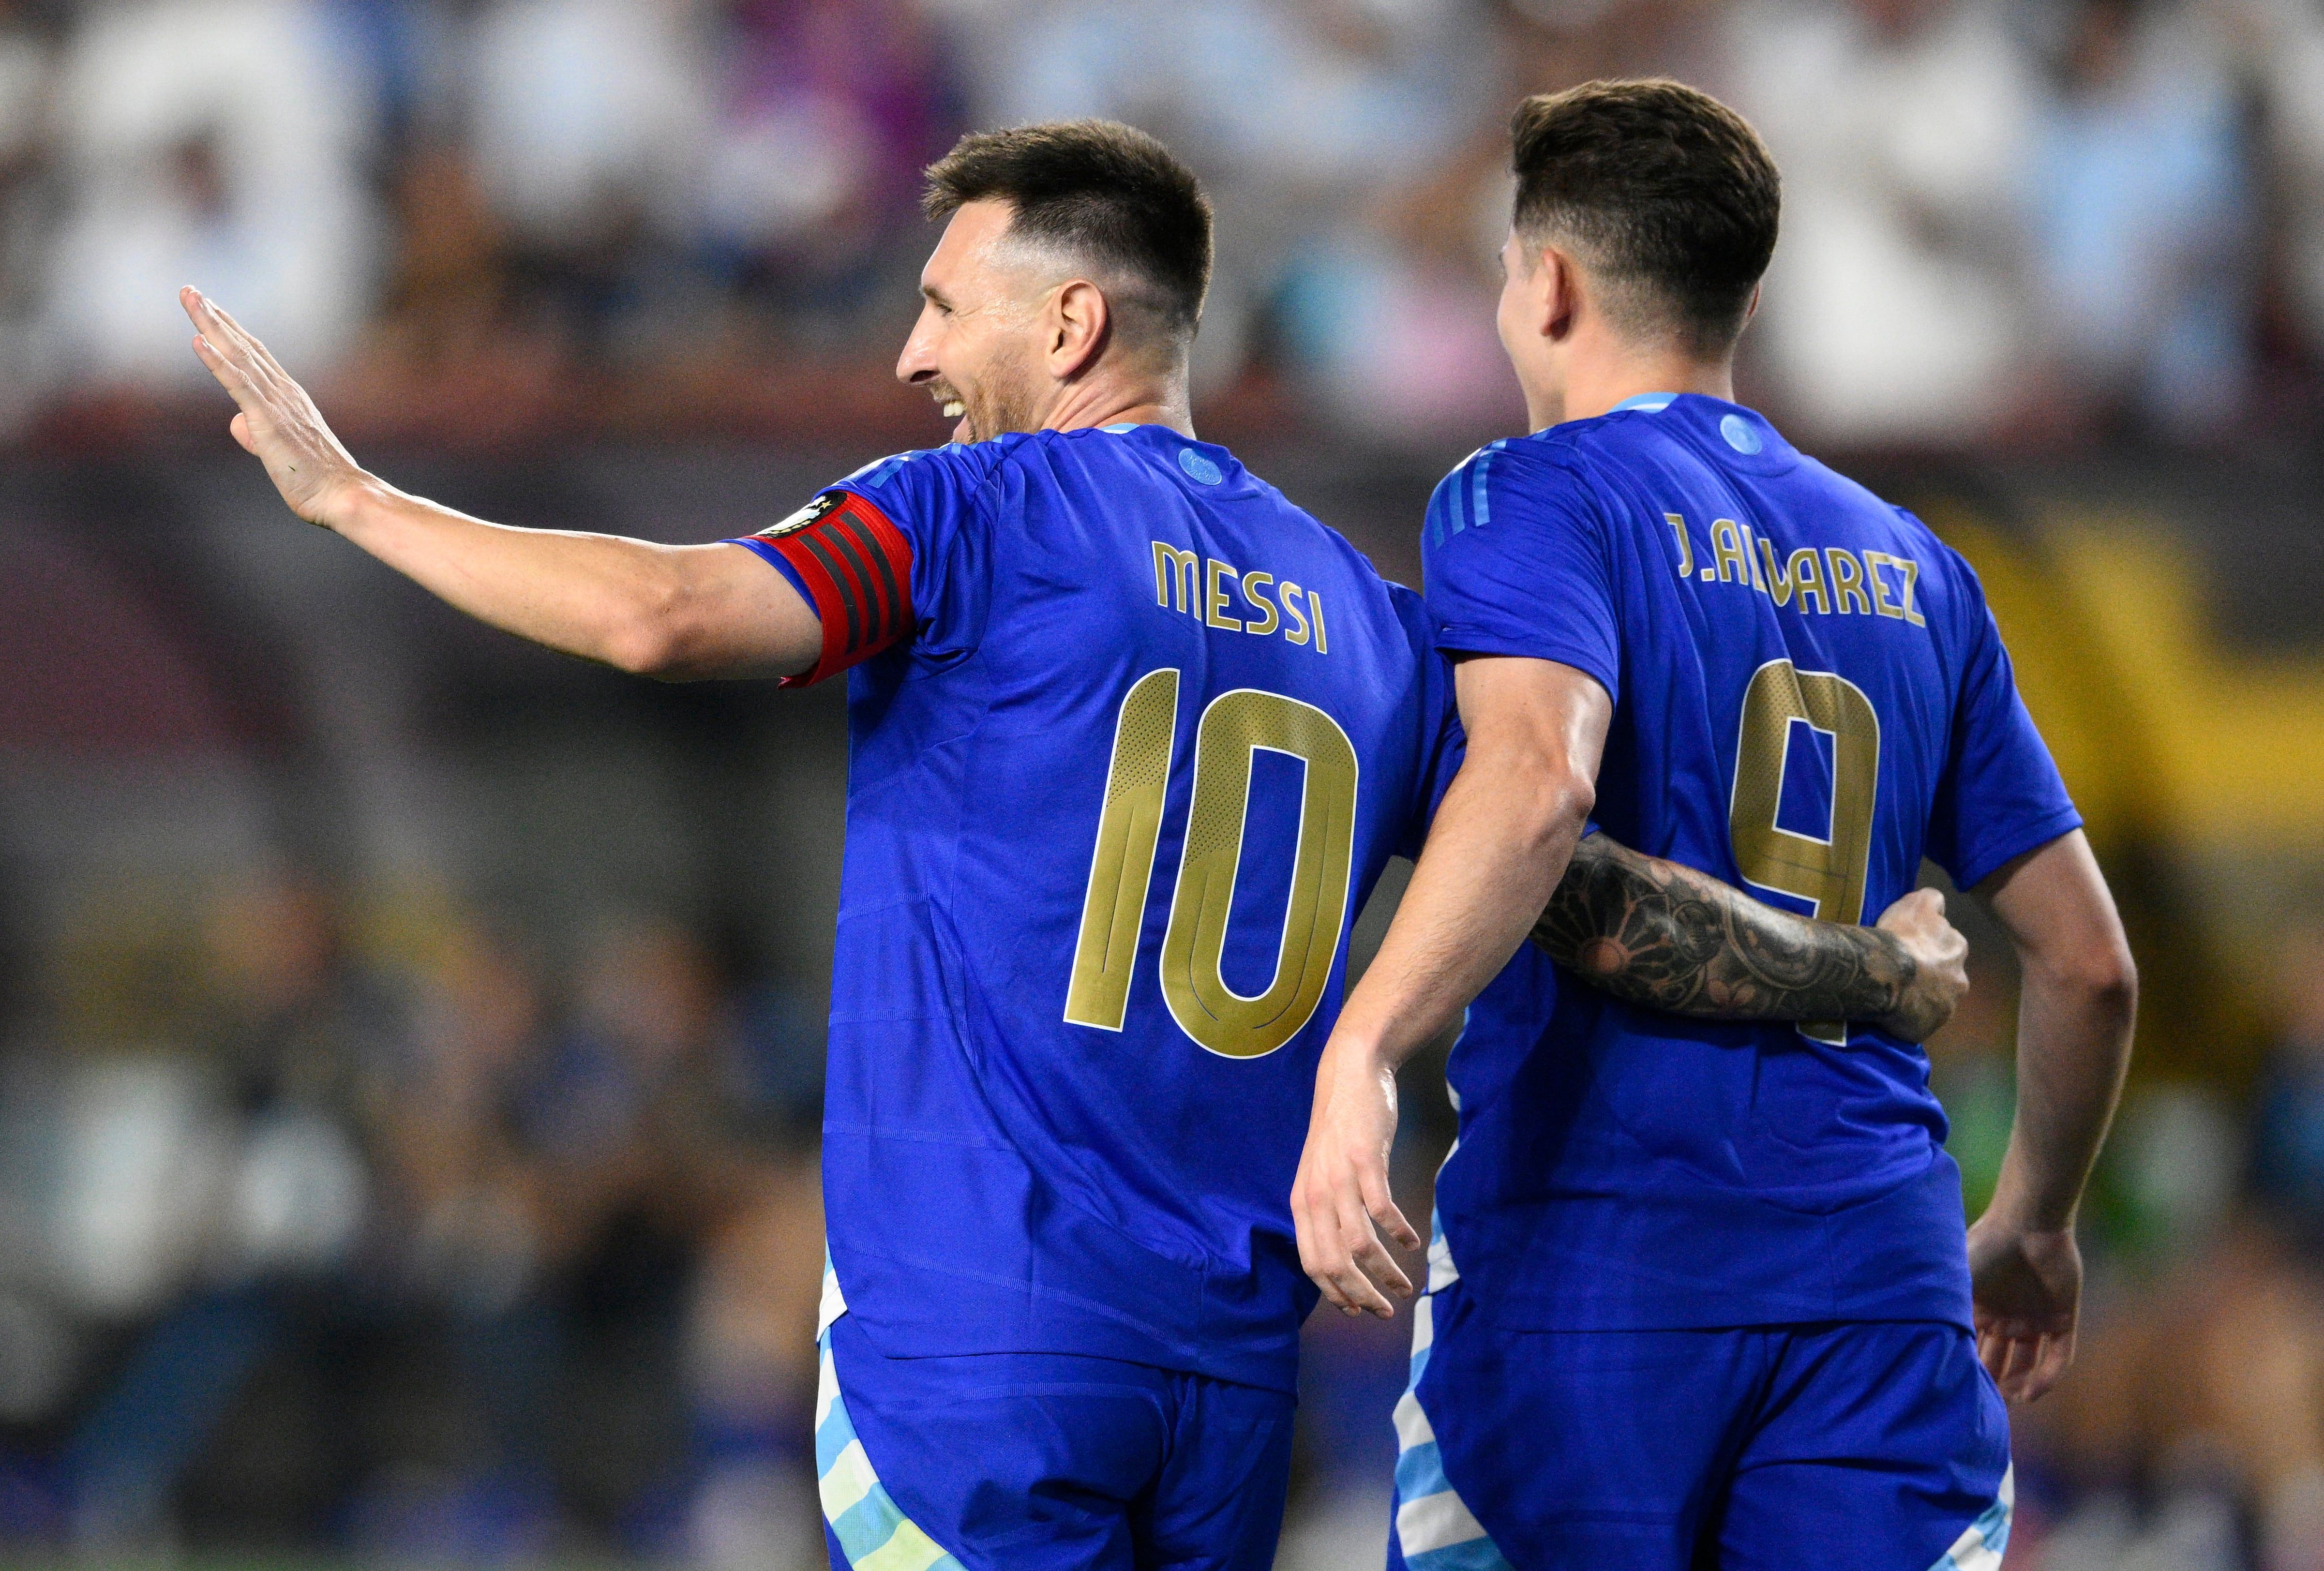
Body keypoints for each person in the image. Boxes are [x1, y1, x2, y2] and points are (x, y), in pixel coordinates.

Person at [183, 118, 1969, 1571]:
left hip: (980, 1342)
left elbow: (665, 615)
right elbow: (1579, 893)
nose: (910, 353)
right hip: (1229, 1389)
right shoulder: (1365, 616)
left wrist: (360, 499)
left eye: (941, 305)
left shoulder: (971, 513)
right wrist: (1864, 972)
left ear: (1069, 327)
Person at [1290, 80, 2140, 1571]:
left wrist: (1363, 1046)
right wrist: (2034, 1224)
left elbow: (1538, 785)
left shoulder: (1532, 496)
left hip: (1593, 1265)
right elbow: (2090, 967)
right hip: (1877, 1284)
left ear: (1549, 285)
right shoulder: (1920, 566)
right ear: (1745, 295)